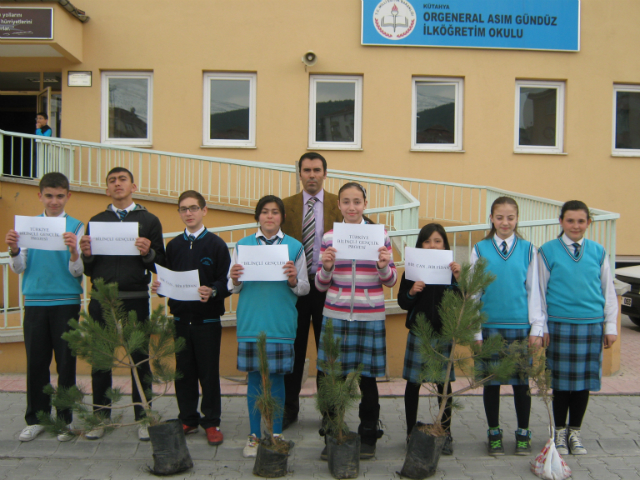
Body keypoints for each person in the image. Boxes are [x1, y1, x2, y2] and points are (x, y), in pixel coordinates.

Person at [79, 167, 165, 441]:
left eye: (122, 180)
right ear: (106, 189)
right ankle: (101, 416)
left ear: (133, 185)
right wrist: (88, 256)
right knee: (101, 360)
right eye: (112, 181)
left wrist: (147, 252)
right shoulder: (96, 221)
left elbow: (160, 263)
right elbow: (90, 270)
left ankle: (144, 416)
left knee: (140, 359)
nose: (117, 184)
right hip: (102, 300)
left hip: (135, 298)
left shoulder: (149, 220)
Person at [315, 182, 397, 459]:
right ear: (338, 205)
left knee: (368, 379)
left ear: (365, 204)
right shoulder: (329, 237)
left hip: (369, 315)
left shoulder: (380, 236)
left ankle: (368, 435)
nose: (352, 207)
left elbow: (390, 281)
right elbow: (320, 284)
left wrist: (384, 265)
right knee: (332, 379)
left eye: (357, 202)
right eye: (346, 202)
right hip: (335, 315)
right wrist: (326, 268)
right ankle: (333, 434)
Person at [228, 195, 309, 458]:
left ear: (282, 217)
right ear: (258, 216)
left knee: (276, 380)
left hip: (280, 323)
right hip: (252, 322)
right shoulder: (242, 245)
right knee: (253, 378)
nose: (270, 216)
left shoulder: (295, 247)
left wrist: (294, 279)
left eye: (275, 212)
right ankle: (253, 436)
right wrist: (234, 279)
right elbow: (232, 288)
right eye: (264, 212)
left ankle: (275, 433)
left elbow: (305, 288)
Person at [5, 172, 83, 443]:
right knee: (37, 363)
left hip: (67, 303)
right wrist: (14, 249)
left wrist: (74, 252)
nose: (54, 201)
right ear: (40, 196)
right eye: (49, 196)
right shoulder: (27, 226)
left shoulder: (77, 226)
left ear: (68, 196)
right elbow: (19, 268)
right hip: (35, 303)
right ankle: (36, 419)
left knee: (66, 364)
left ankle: (64, 421)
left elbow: (78, 272)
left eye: (60, 196)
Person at [151, 190, 231, 446]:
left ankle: (211, 422)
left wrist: (214, 290)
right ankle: (187, 418)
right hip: (180, 321)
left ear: (204, 210)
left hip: (207, 322)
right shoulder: (173, 245)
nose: (189, 213)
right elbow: (166, 277)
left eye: (193, 208)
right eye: (184, 209)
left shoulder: (216, 244)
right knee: (183, 373)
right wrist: (159, 287)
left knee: (208, 374)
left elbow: (226, 282)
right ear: (179, 213)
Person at [539, 200, 618, 456]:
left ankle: (575, 432)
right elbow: (539, 292)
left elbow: (608, 291)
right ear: (561, 221)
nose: (575, 225)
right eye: (570, 220)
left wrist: (610, 325)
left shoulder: (598, 252)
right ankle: (559, 433)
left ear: (588, 223)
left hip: (590, 325)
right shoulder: (547, 251)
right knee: (561, 383)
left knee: (583, 383)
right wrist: (541, 326)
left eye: (581, 221)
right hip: (559, 326)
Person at [471, 196, 544, 456]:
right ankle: (493, 432)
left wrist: (536, 328)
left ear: (517, 219)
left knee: (521, 384)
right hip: (490, 327)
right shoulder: (479, 249)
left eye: (510, 217)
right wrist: (475, 331)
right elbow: (473, 293)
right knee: (492, 383)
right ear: (491, 218)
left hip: (519, 328)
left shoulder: (527, 249)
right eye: (500, 217)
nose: (505, 222)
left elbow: (534, 291)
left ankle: (523, 433)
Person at [281, 152, 342, 429]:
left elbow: (362, 232)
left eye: (317, 170)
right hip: (294, 287)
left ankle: (329, 411)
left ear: (325, 173)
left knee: (327, 351)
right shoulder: (285, 206)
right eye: (306, 170)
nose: (312, 175)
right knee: (293, 350)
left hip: (328, 287)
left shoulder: (339, 206)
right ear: (300, 174)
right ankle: (289, 409)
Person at [398, 223, 460, 455]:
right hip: (418, 333)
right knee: (413, 384)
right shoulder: (412, 271)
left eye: (437, 241)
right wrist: (412, 291)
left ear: (444, 244)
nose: (432, 245)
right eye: (427, 241)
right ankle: (410, 432)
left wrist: (458, 279)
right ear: (420, 244)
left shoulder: (452, 271)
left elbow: (464, 302)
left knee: (443, 385)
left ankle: (446, 431)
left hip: (444, 334)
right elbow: (403, 302)